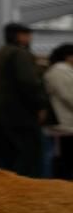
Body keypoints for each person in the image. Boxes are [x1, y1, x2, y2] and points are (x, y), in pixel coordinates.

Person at [0, 23, 50, 177]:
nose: (30, 38)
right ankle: (27, 195)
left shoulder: (0, 54)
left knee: (6, 160)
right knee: (29, 158)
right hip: (20, 115)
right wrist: (40, 105)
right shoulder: (20, 54)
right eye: (27, 35)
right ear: (19, 36)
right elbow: (29, 82)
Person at [44, 43, 73, 178]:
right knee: (64, 160)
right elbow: (67, 95)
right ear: (68, 56)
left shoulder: (65, 71)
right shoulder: (58, 71)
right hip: (62, 124)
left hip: (66, 123)